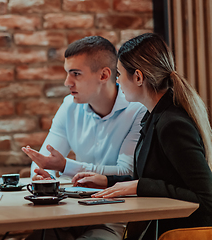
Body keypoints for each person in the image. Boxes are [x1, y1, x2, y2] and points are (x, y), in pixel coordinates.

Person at [72, 33, 212, 238]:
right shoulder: (153, 116)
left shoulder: (172, 124)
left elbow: (206, 196)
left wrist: (139, 185)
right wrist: (108, 181)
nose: (117, 82)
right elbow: (161, 178)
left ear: (138, 77)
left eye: (118, 74)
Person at [22, 36, 146, 240]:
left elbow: (127, 172)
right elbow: (44, 160)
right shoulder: (69, 106)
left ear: (104, 75)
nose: (67, 82)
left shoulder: (137, 110)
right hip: (70, 212)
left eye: (76, 74)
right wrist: (44, 176)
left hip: (114, 217)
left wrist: (65, 166)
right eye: (67, 73)